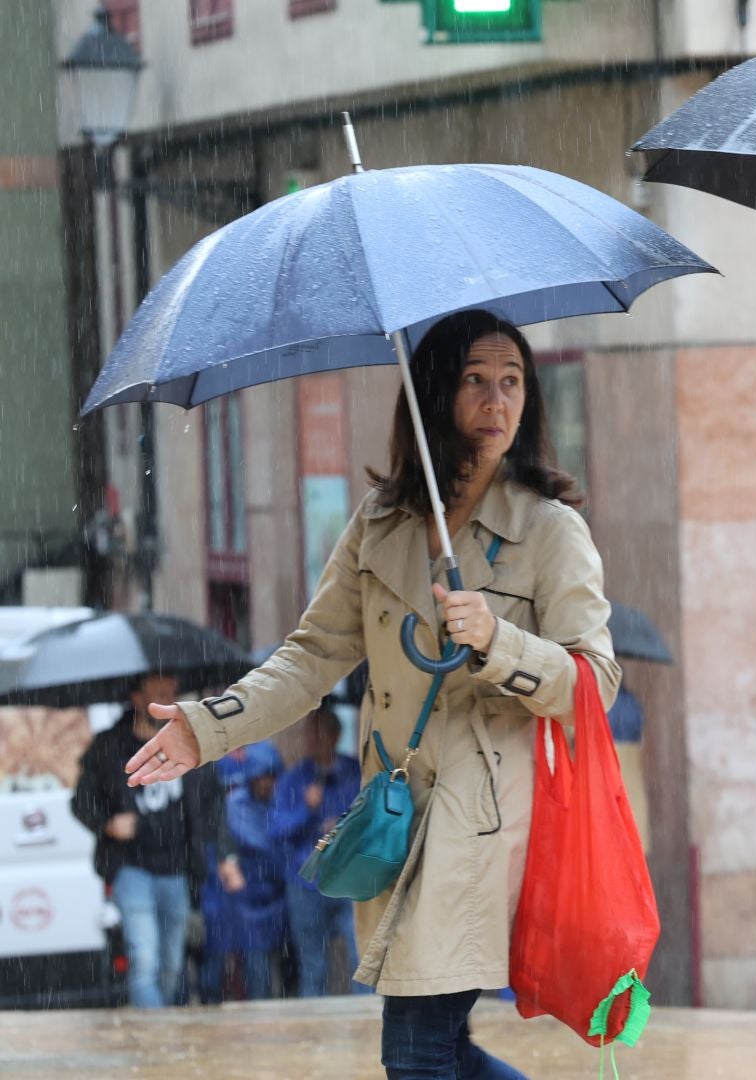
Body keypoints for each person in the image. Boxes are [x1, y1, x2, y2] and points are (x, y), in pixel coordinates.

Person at [122, 310, 618, 1080]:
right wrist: (206, 728)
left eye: (513, 383)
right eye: (476, 382)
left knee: (417, 1049)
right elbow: (311, 658)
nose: (497, 402)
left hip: (484, 824)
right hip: (393, 816)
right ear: (434, 396)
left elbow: (596, 681)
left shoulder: (550, 530)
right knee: (438, 1045)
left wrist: (497, 639)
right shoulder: (379, 524)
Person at [71, 673, 243, 1008]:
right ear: (137, 697)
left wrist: (226, 856)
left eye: (172, 692)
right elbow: (81, 800)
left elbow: (213, 803)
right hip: (131, 867)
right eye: (158, 693)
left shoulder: (187, 742)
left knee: (171, 965)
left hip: (177, 868)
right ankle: (154, 1043)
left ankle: (156, 1030)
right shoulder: (109, 747)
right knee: (145, 958)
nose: (167, 700)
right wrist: (107, 824)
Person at [271, 704, 365, 997]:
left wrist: (342, 826)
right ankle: (312, 1027)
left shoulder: (355, 773)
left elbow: (370, 820)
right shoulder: (294, 778)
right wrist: (305, 810)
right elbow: (275, 830)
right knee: (313, 965)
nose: (310, 740)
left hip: (349, 880)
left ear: (335, 735)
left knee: (361, 959)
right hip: (306, 882)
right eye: (307, 733)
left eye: (317, 733)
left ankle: (371, 1023)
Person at [220, 741, 288, 1000]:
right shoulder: (236, 804)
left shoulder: (283, 798)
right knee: (257, 966)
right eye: (261, 776)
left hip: (282, 893)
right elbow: (260, 841)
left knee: (289, 962)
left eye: (271, 776)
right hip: (251, 895)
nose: (266, 783)